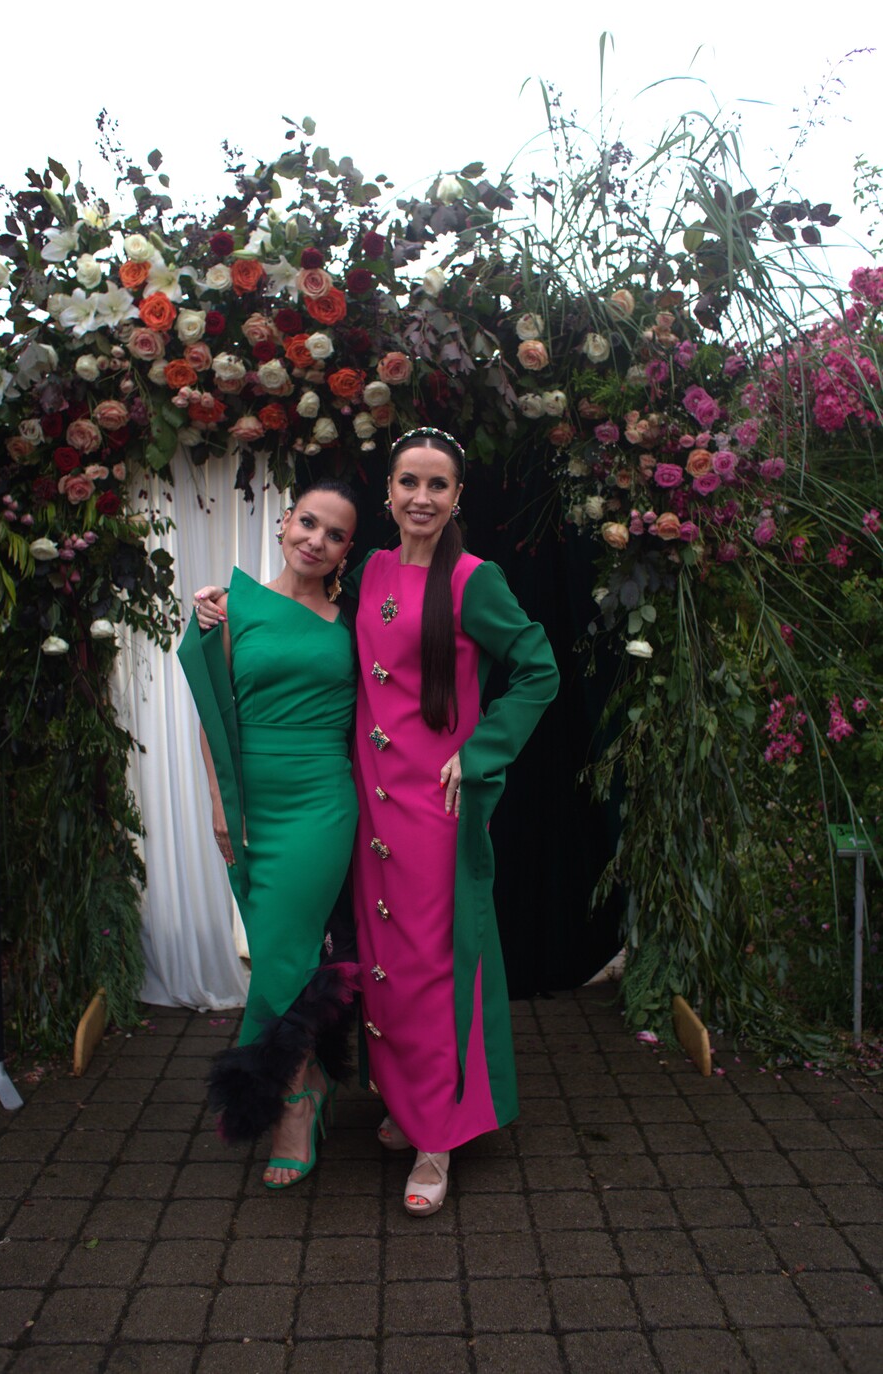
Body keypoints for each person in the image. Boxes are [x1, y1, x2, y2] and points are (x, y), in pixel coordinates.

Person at [197, 427, 559, 1216]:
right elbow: (307, 618)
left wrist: (481, 751)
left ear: (457, 498)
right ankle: (404, 1103)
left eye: (437, 485)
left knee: (432, 967)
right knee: (383, 964)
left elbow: (539, 668)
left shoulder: (474, 580)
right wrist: (229, 606)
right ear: (389, 494)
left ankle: (438, 1137)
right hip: (365, 806)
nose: (421, 497)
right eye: (408, 483)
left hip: (434, 807)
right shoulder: (370, 574)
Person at [179, 479, 361, 1189]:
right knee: (281, 950)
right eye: (308, 523)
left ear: (347, 550)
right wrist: (222, 805)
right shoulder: (234, 606)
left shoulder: (354, 621)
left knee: (285, 952)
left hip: (321, 803)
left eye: (335, 534)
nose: (316, 540)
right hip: (251, 803)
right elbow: (213, 714)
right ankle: (310, 1076)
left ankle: (288, 1104)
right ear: (283, 522)